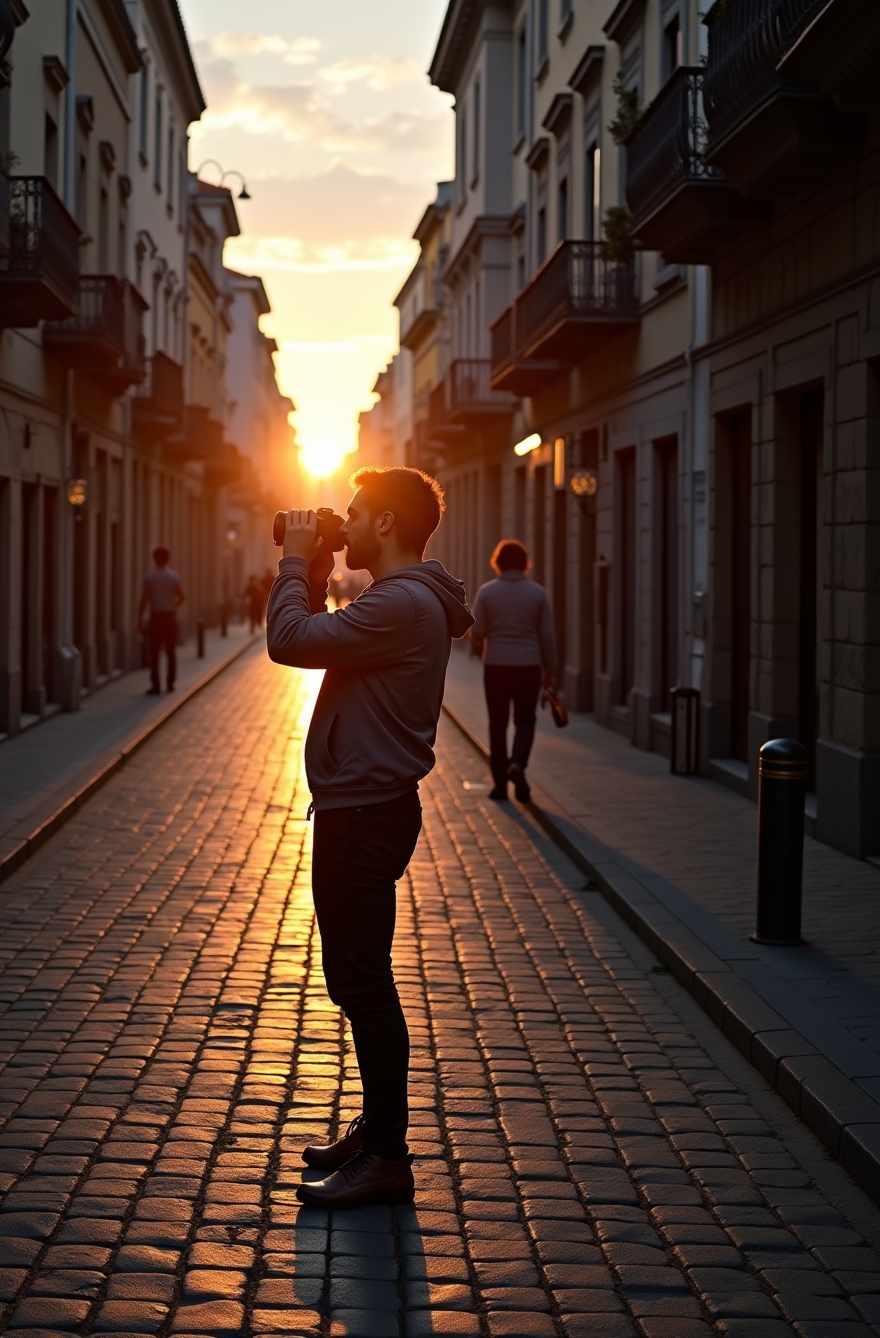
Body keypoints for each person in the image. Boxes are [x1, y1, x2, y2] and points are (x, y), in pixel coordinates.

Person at [267, 467, 473, 1210]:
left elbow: (290, 642)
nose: (343, 525)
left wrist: (294, 561)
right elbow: (322, 638)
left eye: (354, 516)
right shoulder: (406, 601)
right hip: (365, 808)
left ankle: (388, 1155)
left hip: (362, 815)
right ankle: (378, 1130)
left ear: (386, 524)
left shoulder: (401, 602)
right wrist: (316, 569)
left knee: (361, 984)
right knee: (361, 979)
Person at [471, 538, 557, 804]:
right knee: (525, 720)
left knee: (497, 723)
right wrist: (550, 671)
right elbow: (547, 635)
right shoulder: (538, 593)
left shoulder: (487, 592)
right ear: (524, 564)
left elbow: (478, 631)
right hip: (528, 666)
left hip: (496, 665)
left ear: (497, 562)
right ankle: (517, 764)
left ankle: (499, 785)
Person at [137, 546, 184, 696]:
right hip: (170, 617)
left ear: (154, 559)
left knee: (154, 652)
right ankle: (170, 683)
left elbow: (144, 600)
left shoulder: (149, 577)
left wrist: (140, 618)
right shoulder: (173, 577)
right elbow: (182, 596)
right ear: (168, 559)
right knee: (171, 652)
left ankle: (155, 685)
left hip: (155, 617)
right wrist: (173, 605)